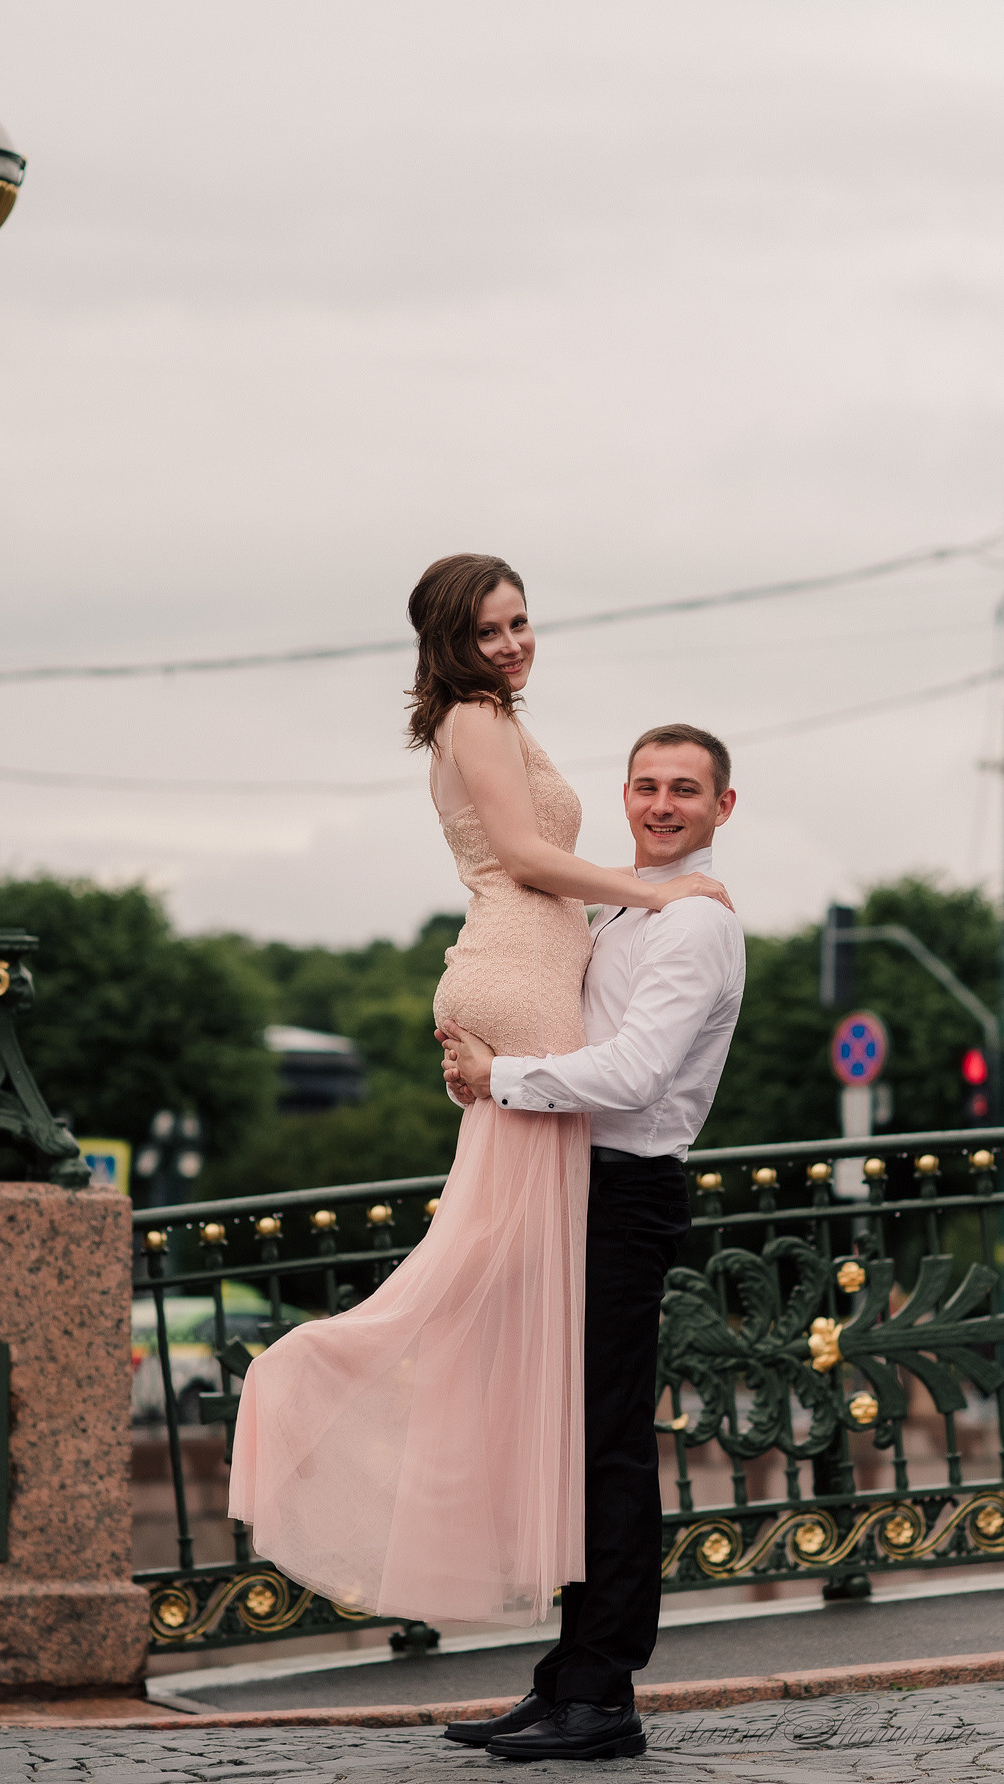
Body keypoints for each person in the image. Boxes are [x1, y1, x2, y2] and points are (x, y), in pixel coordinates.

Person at [227, 554, 731, 1641]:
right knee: (499, 1295)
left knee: (504, 1296)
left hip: (516, 981)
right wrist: (654, 884)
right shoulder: (473, 717)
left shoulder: (487, 719)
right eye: (487, 628)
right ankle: (320, 1383)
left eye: (519, 622)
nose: (510, 642)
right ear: (449, 642)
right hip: (516, 977)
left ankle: (575, 1663)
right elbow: (520, 856)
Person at [438, 722, 745, 1762]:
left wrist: (502, 1080)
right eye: (646, 787)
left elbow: (635, 1073)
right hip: (571, 1183)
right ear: (624, 796)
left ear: (721, 809)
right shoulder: (626, 906)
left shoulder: (692, 924)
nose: (661, 805)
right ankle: (563, 1676)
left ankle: (603, 1691)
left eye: (685, 792)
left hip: (622, 1193)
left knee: (606, 1445)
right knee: (570, 1442)